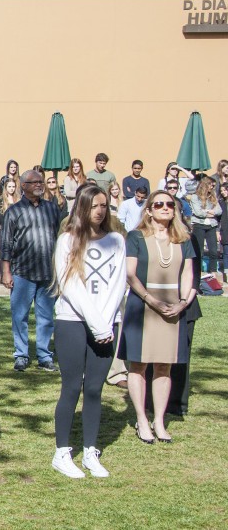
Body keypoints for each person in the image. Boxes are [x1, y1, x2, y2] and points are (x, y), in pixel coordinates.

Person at [50, 186, 126, 478]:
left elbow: (119, 284)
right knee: (71, 386)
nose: (100, 211)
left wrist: (105, 323)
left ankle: (91, 451)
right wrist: (95, 322)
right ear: (82, 207)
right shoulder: (67, 240)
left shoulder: (117, 241)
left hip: (108, 323)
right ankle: (62, 452)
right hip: (72, 321)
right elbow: (70, 286)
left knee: (95, 388)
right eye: (95, 205)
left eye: (104, 206)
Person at [119, 190, 195, 445]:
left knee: (165, 365)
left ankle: (159, 420)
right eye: (159, 204)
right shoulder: (136, 237)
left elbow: (189, 276)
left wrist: (182, 303)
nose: (165, 208)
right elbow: (130, 274)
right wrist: (151, 300)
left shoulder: (183, 239)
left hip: (174, 308)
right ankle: (141, 419)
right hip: (142, 306)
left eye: (169, 204)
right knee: (138, 365)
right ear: (148, 210)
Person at [0, 170, 61, 372]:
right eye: (33, 182)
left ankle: (44, 355)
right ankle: (21, 355)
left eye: (40, 182)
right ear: (23, 186)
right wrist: (5, 272)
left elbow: (59, 240)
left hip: (47, 273)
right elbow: (6, 244)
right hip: (22, 272)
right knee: (20, 316)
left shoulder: (52, 209)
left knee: (46, 317)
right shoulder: (14, 212)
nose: (38, 184)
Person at [188, 177, 221, 274]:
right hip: (199, 225)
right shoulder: (195, 197)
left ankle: (213, 272)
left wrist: (209, 212)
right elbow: (198, 213)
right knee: (199, 251)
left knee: (213, 251)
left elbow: (219, 211)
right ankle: (198, 272)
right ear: (205, 185)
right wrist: (211, 213)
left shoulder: (212, 196)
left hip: (211, 225)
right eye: (211, 185)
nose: (212, 187)